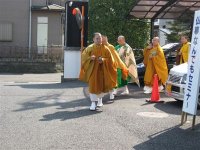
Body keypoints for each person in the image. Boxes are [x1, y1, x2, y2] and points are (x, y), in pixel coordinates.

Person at [79, 33, 117, 111]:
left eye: (100, 38)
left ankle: (100, 100)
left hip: (103, 71)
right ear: (93, 39)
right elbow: (83, 57)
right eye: (97, 38)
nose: (99, 40)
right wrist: (90, 58)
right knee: (93, 85)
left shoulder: (106, 48)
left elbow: (111, 60)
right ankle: (93, 103)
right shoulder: (90, 48)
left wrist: (103, 60)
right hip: (93, 71)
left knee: (102, 86)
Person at [102, 35, 128, 99]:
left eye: (120, 40)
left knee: (118, 78)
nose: (118, 42)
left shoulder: (126, 47)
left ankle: (114, 91)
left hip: (118, 64)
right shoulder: (116, 47)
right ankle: (125, 90)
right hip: (113, 64)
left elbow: (115, 57)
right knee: (121, 78)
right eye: (118, 40)